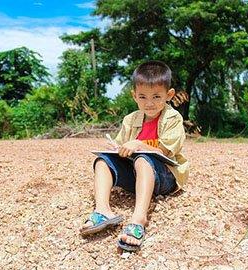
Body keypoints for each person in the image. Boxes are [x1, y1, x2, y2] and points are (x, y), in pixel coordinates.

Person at [79, 60, 189, 252]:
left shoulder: (173, 118)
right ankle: (102, 209)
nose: (149, 103)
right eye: (143, 97)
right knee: (102, 162)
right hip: (138, 174)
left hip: (164, 177)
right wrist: (116, 149)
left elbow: (164, 152)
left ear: (169, 95)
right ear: (134, 96)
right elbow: (122, 145)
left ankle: (139, 219)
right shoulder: (130, 120)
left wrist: (138, 144)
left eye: (156, 96)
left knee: (143, 159)